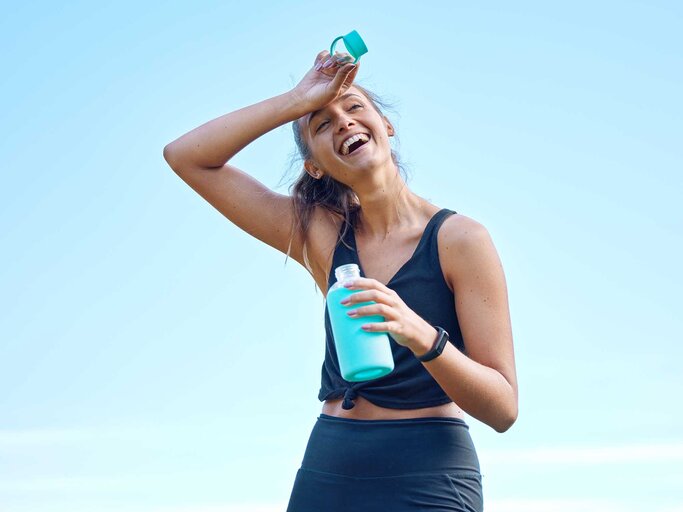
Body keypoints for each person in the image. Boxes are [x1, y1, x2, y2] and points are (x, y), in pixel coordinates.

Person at [163, 49, 518, 512]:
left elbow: (503, 408)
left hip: (429, 470)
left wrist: (421, 335)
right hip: (331, 464)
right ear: (314, 164)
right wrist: (297, 100)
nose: (344, 122)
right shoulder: (321, 234)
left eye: (353, 107)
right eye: (323, 124)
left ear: (386, 125)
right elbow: (186, 157)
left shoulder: (461, 239)